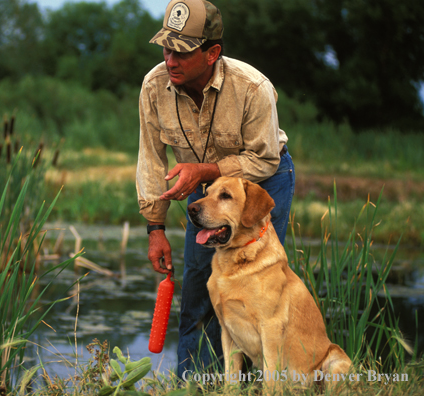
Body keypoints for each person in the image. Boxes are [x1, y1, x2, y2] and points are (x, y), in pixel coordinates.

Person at [136, 0, 295, 378]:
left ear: (212, 53)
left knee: (259, 289)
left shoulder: (253, 87)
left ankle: (260, 382)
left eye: (182, 51)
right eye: (166, 48)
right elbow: (150, 159)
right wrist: (155, 229)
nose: (170, 60)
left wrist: (203, 170)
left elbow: (265, 159)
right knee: (198, 291)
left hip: (261, 181)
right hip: (203, 186)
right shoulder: (154, 86)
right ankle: (193, 384)